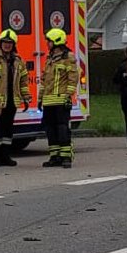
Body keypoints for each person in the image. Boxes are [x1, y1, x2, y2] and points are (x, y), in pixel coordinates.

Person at [0, 29, 30, 166]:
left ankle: (5, 156)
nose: (7, 45)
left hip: (12, 101)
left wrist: (26, 96)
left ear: (14, 45)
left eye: (10, 43)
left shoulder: (18, 61)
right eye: (5, 42)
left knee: (8, 130)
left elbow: (23, 81)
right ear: (0, 43)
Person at [40, 27, 78, 168]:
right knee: (50, 129)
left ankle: (66, 157)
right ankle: (54, 156)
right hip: (48, 101)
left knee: (62, 129)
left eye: (49, 41)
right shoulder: (49, 59)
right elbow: (44, 81)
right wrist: (40, 98)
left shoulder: (68, 58)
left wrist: (68, 96)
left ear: (56, 42)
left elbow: (73, 78)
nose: (47, 43)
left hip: (61, 99)